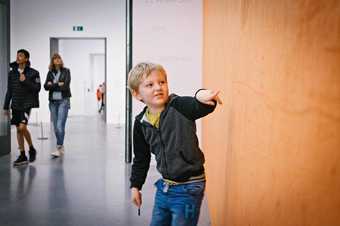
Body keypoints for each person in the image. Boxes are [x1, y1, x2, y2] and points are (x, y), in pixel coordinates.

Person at [128, 62, 222, 226]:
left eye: (162, 82)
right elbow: (141, 158)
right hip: (165, 187)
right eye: (150, 85)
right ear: (137, 94)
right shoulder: (141, 123)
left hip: (190, 186)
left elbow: (202, 105)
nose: (158, 87)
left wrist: (201, 94)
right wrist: (135, 186)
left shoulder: (179, 106)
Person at [3, 49, 41, 166]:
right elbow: (9, 90)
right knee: (18, 130)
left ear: (26, 59)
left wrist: (26, 81)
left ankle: (31, 148)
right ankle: (22, 155)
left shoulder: (34, 73)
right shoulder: (12, 73)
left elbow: (37, 88)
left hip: (27, 104)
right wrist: (5, 107)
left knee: (22, 127)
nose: (18, 57)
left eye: (21, 56)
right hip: (15, 104)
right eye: (17, 55)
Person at [44, 53, 71, 157]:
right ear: (52, 61)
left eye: (59, 58)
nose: (58, 60)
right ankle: (61, 146)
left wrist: (52, 85)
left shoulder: (66, 71)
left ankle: (59, 147)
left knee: (60, 126)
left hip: (63, 101)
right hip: (53, 102)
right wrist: (57, 84)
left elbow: (65, 86)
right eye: (55, 59)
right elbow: (46, 86)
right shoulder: (50, 73)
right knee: (56, 127)